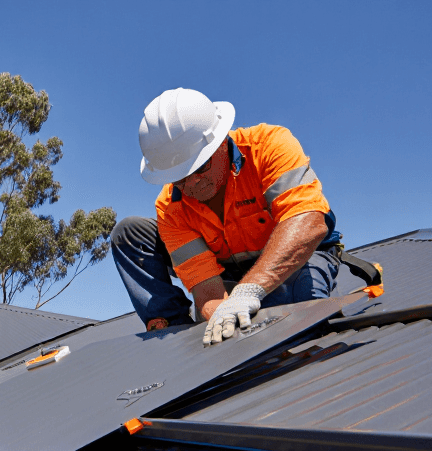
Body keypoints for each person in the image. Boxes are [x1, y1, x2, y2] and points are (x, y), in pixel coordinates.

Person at [112, 88, 357, 345]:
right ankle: (176, 331)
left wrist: (248, 291)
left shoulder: (270, 145)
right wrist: (220, 319)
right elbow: (207, 287)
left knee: (297, 320)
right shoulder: (170, 206)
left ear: (221, 141)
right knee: (130, 232)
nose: (192, 184)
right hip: (228, 272)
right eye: (179, 178)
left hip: (297, 258)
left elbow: (309, 222)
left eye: (200, 167)